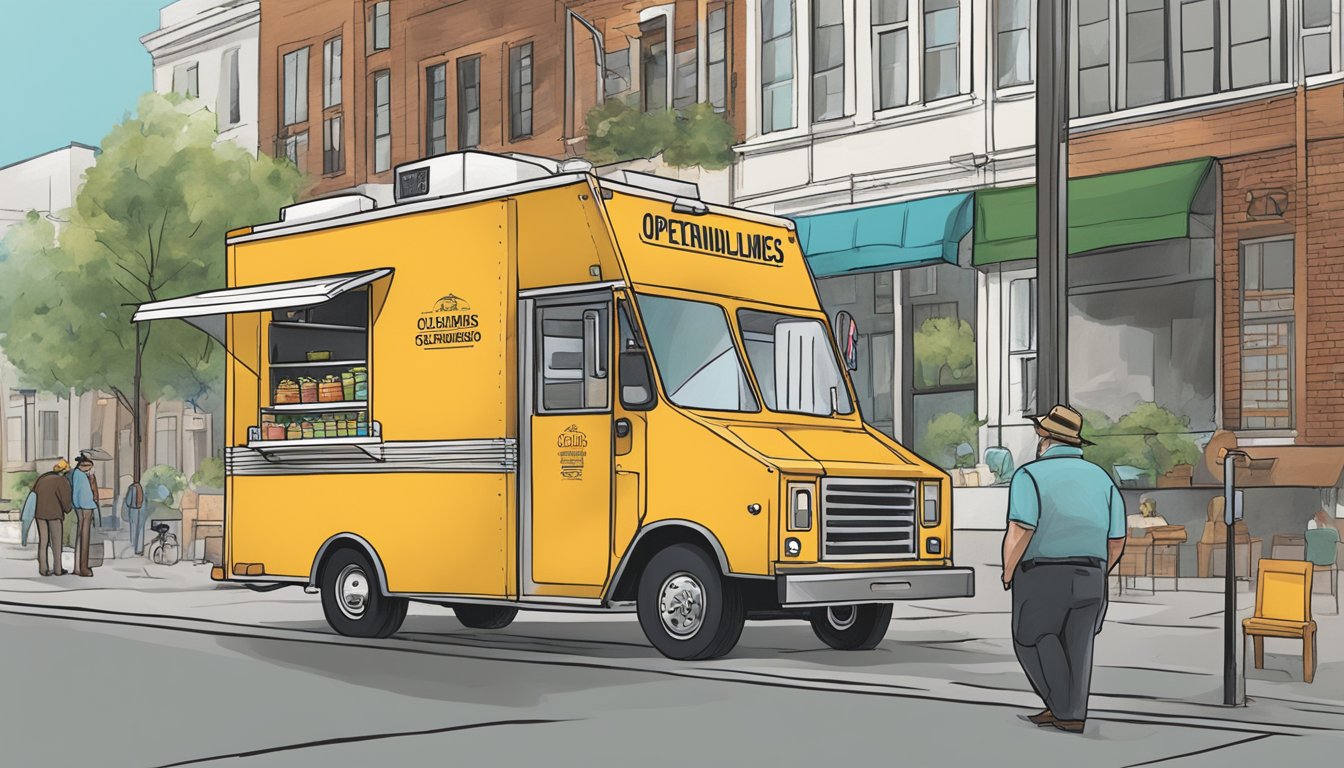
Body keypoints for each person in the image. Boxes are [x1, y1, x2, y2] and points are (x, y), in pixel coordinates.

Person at [1001, 404, 1126, 734]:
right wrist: (1100, 569)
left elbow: (1021, 529)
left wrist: (1008, 570)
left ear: (1044, 437)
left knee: (1031, 639)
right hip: (1092, 574)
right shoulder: (1102, 479)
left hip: (1042, 572)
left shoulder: (1029, 475)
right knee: (1079, 646)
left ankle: (1063, 707)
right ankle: (1069, 711)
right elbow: (1117, 538)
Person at [32, 460, 74, 577]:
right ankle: (58, 569)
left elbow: (34, 493)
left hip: (40, 514)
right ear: (65, 471)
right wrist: (68, 509)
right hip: (54, 515)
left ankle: (43, 568)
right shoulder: (62, 481)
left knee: (43, 541)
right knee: (56, 543)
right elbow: (66, 500)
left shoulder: (42, 479)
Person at [69, 455, 98, 577]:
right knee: (85, 536)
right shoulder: (85, 476)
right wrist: (92, 478)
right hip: (86, 505)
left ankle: (77, 567)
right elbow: (91, 493)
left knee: (80, 535)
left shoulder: (75, 473)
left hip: (78, 505)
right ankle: (83, 567)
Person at [123, 479, 146, 556]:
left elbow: (128, 501)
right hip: (142, 512)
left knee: (133, 530)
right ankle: (140, 549)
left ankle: (134, 548)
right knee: (140, 531)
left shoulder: (132, 488)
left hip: (134, 512)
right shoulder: (143, 488)